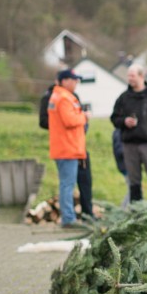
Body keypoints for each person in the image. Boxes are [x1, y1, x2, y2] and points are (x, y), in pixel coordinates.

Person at [110, 63, 147, 203]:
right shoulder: (123, 98)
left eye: (132, 75)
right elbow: (114, 118)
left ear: (142, 76)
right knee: (134, 182)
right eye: (129, 75)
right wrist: (124, 122)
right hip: (130, 145)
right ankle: (137, 214)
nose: (130, 78)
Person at [41, 78, 95, 220]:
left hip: (76, 147)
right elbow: (70, 120)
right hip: (67, 148)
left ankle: (85, 214)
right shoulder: (61, 98)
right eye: (73, 80)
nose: (76, 83)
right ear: (63, 81)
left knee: (81, 183)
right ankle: (68, 218)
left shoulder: (68, 97)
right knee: (67, 184)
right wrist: (84, 117)